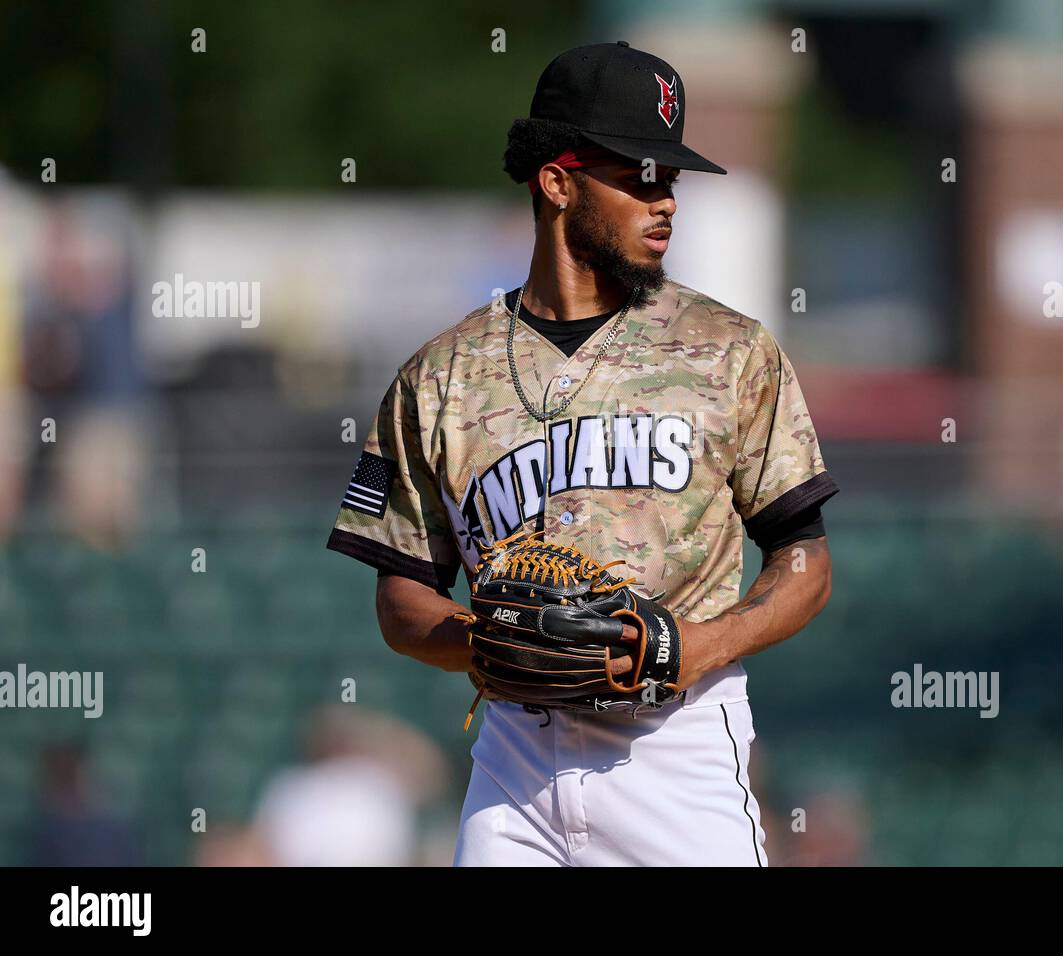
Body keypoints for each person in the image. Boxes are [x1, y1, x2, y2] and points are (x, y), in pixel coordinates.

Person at [327, 41, 837, 866]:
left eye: (670, 179)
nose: (663, 199)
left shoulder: (729, 351)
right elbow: (403, 600)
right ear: (557, 181)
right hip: (515, 769)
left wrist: (699, 646)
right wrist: (485, 641)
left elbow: (805, 563)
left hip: (676, 756)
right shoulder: (438, 376)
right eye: (639, 175)